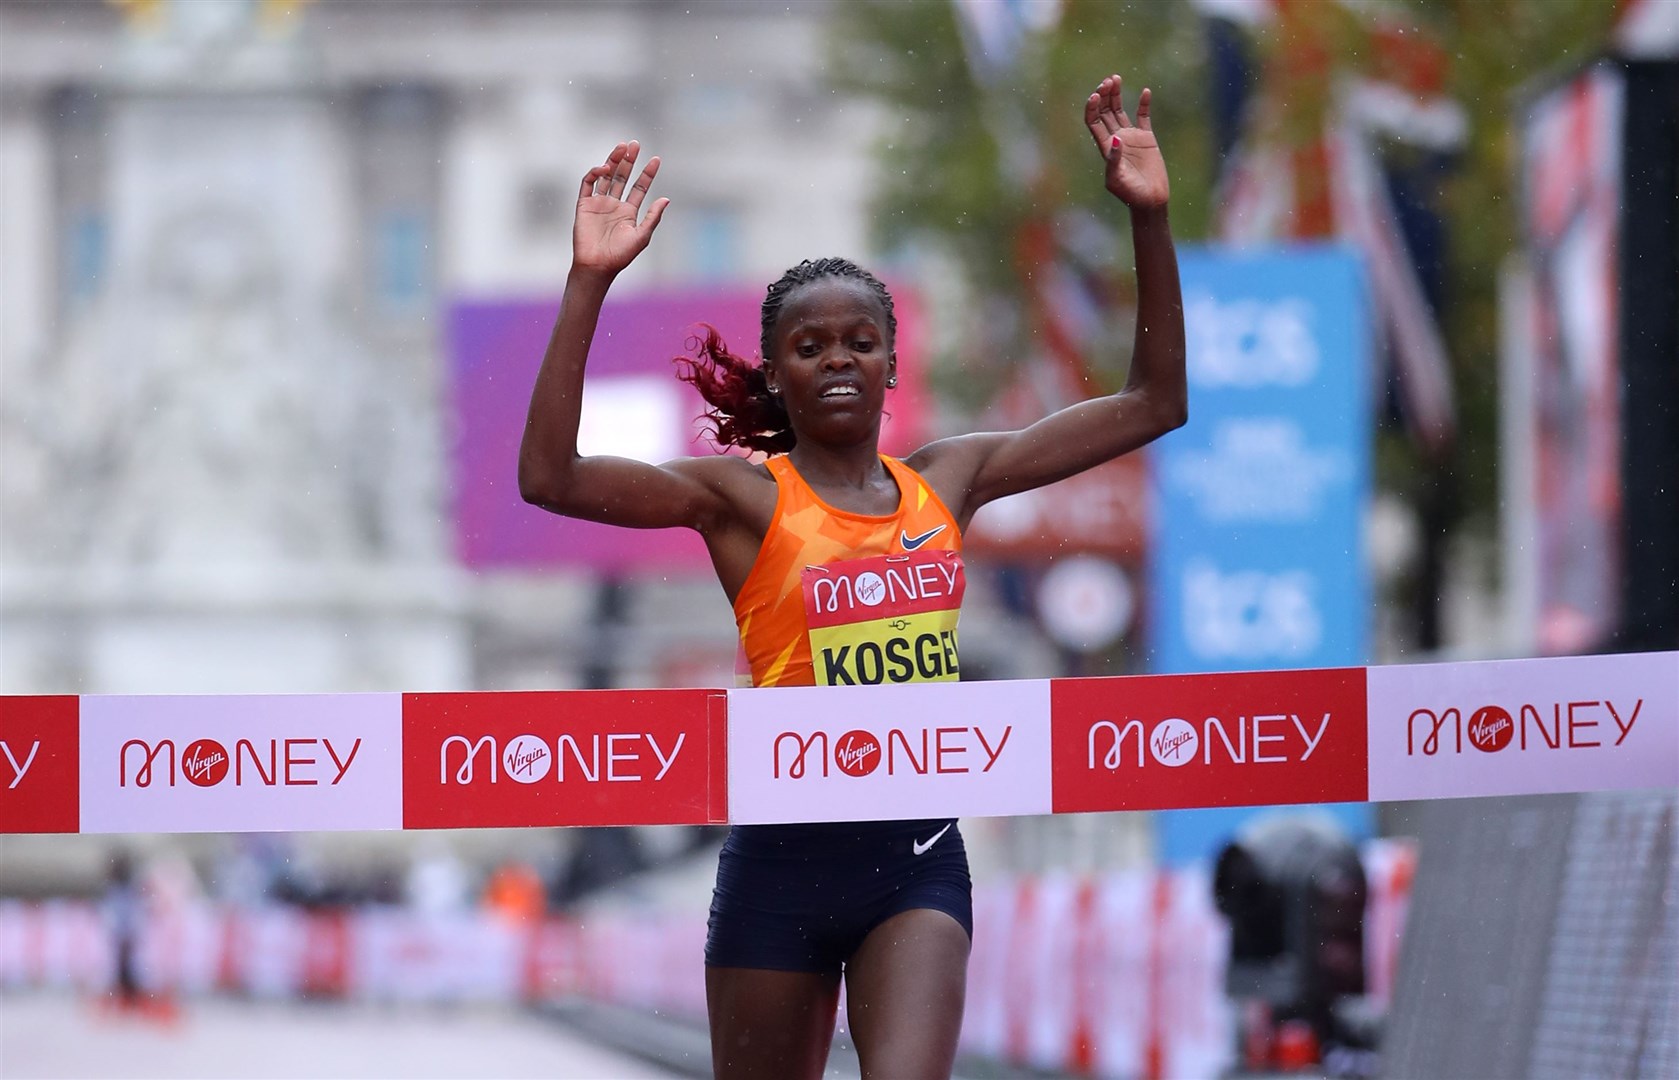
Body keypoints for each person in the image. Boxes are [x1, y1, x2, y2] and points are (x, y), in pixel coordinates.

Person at [519, 74, 1184, 1080]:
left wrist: (1148, 217)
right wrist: (587, 283)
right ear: (777, 373)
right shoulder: (744, 501)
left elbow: (1153, 401)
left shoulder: (949, 480)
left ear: (890, 365)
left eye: (859, 342)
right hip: (776, 867)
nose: (837, 359)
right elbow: (549, 478)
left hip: (913, 861)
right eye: (809, 345)